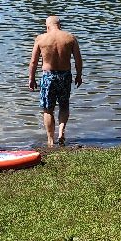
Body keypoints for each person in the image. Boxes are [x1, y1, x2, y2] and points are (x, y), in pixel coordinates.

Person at [28, 15, 84, 148]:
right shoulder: (70, 37)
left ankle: (50, 140)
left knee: (48, 109)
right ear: (60, 25)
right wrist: (79, 75)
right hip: (65, 76)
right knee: (64, 106)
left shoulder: (41, 38)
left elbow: (33, 61)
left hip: (48, 76)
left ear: (47, 26)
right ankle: (61, 132)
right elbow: (78, 60)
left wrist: (31, 78)